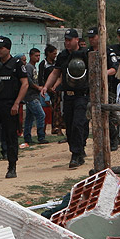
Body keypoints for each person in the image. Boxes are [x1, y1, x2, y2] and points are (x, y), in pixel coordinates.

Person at [0, 36, 28, 179]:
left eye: (1, 48)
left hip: (10, 104)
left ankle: (12, 166)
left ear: (8, 49)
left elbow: (25, 84)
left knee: (10, 136)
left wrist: (17, 103)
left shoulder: (16, 64)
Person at [43, 29, 90, 168]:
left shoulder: (85, 54)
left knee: (78, 124)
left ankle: (76, 154)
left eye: (70, 39)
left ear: (77, 40)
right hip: (67, 95)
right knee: (69, 125)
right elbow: (56, 72)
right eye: (66, 40)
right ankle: (77, 151)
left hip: (81, 95)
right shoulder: (63, 55)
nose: (67, 42)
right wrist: (46, 86)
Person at [22, 48, 47, 146]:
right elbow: (29, 81)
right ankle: (41, 136)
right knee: (41, 115)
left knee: (29, 118)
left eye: (39, 55)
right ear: (31, 56)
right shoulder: (29, 67)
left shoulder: (34, 67)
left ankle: (27, 137)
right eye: (36, 55)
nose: (38, 57)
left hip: (33, 95)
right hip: (31, 96)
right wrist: (38, 88)